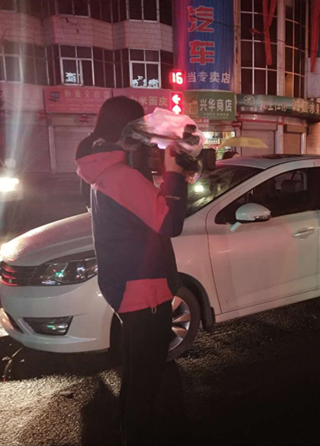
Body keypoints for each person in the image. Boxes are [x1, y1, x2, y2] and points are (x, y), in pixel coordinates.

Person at [75, 96, 189, 445]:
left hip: (129, 289)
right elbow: (170, 222)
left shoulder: (104, 171)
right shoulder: (122, 177)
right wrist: (174, 171)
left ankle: (128, 434)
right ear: (128, 130)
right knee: (145, 385)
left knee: (136, 377)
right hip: (144, 294)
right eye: (139, 127)